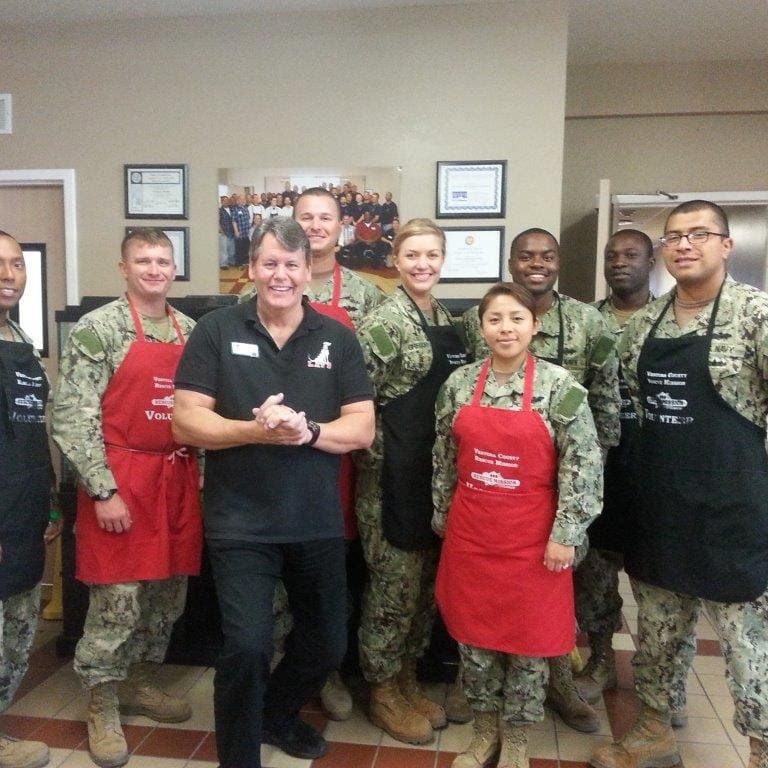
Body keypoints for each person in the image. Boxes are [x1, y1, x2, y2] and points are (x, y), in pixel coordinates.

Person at [172, 217, 374, 768]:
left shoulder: (336, 337)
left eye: (291, 264)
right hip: (239, 523)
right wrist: (254, 430)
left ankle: (276, 715)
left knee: (329, 643)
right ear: (250, 269)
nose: (279, 275)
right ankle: (240, 758)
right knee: (247, 646)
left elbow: (361, 428)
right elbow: (186, 422)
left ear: (309, 271)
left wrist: (306, 431)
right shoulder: (214, 329)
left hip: (316, 521)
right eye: (268, 263)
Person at [589, 200, 768, 768]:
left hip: (734, 513)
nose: (685, 245)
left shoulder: (756, 316)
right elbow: (623, 412)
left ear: (725, 245)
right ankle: (653, 729)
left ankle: (762, 746)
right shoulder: (643, 325)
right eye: (674, 236)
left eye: (699, 234)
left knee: (749, 650)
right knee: (659, 635)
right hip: (661, 509)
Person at [434, 282, 602, 768]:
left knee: (529, 648)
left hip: (535, 542)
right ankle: (484, 732)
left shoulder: (560, 387)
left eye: (516, 319)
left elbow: (584, 466)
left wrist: (565, 535)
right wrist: (444, 518)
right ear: (481, 327)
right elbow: (444, 458)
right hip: (471, 535)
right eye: (494, 319)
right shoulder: (461, 384)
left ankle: (519, 738)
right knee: (476, 640)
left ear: (534, 325)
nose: (505, 328)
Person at [52, 229, 202, 768]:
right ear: (123, 267)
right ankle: (102, 701)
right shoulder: (101, 329)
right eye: (144, 260)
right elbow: (72, 415)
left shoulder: (190, 331)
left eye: (163, 260)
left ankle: (140, 680)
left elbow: (200, 410)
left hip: (176, 481)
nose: (155, 269)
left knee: (165, 598)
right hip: (121, 482)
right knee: (117, 602)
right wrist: (102, 488)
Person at [462, 228, 620, 733]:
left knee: (550, 612)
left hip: (557, 502)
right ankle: (490, 702)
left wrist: (577, 509)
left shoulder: (585, 325)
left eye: (547, 256)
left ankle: (559, 688)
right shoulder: (469, 360)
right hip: (486, 515)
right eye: (526, 256)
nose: (537, 263)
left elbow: (605, 408)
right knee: (490, 611)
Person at [573, 230, 693, 730]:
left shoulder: (673, 322)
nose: (619, 264)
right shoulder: (585, 321)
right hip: (601, 474)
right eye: (612, 256)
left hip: (657, 477)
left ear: (651, 261)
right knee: (595, 584)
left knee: (661, 590)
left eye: (631, 256)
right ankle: (601, 660)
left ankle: (666, 686)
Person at [355, 218, 468, 745]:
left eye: (433, 255)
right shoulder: (383, 322)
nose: (423, 264)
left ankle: (406, 677)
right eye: (413, 255)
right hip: (391, 479)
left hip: (437, 478)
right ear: (396, 261)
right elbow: (356, 405)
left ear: (444, 260)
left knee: (425, 590)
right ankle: (381, 690)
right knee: (393, 591)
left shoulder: (451, 319)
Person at [0, 230, 62, 768]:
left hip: (22, 514)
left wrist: (49, 504)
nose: (8, 273)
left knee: (18, 628)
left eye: (17, 264)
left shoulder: (20, 336)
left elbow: (32, 431)